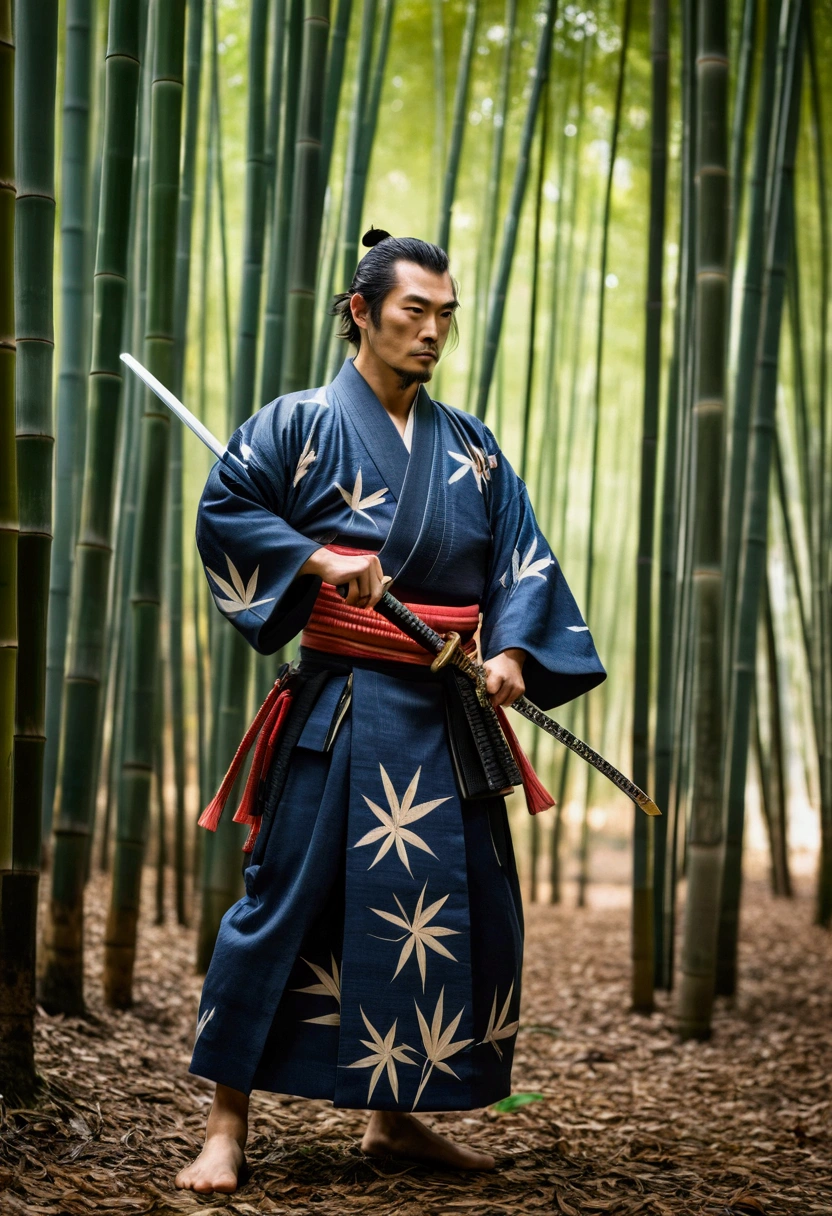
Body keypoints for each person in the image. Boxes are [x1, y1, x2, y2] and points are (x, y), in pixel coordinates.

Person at [175, 231, 605, 1194]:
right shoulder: (292, 423)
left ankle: (396, 1119)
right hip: (340, 705)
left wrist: (512, 654)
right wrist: (320, 561)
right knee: (284, 902)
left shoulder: (476, 449)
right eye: (416, 310)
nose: (435, 331)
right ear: (362, 310)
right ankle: (224, 1127)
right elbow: (226, 512)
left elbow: (521, 561)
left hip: (446, 713)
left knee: (455, 908)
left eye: (447, 314)